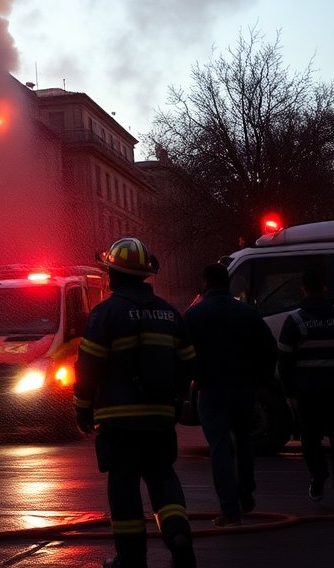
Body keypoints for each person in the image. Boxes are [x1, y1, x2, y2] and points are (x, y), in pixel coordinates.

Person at [73, 237, 197, 568]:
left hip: (119, 421)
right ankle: (178, 535)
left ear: (113, 275)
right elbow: (188, 365)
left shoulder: (106, 313)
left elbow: (88, 366)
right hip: (159, 417)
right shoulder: (170, 314)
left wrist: (82, 407)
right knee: (162, 477)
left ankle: (131, 558)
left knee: (124, 487)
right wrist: (173, 401)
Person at [183, 262, 276, 527]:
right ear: (228, 282)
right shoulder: (248, 313)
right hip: (244, 388)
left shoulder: (194, 315)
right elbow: (269, 349)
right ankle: (246, 494)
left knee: (220, 447)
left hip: (210, 391)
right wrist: (260, 380)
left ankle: (229, 509)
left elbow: (182, 353)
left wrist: (196, 378)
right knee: (244, 442)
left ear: (205, 283)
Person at [277, 268, 334, 510]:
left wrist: (289, 393)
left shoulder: (295, 321)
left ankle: (318, 476)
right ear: (325, 288)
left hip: (308, 393)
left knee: (310, 439)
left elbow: (285, 361)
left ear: (303, 289)